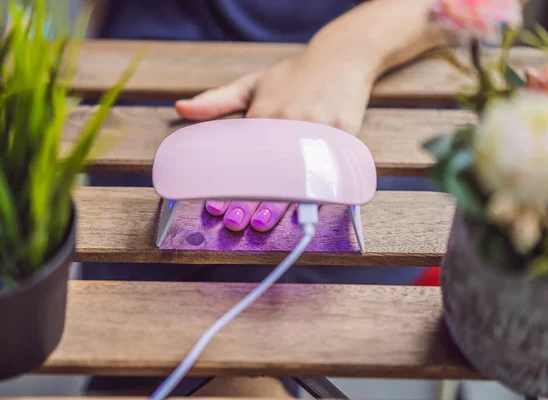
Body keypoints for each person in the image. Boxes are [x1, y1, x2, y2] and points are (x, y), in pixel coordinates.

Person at [81, 0, 446, 396]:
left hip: (386, 53)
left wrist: (345, 54)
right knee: (180, 244)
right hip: (169, 47)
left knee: (265, 258)